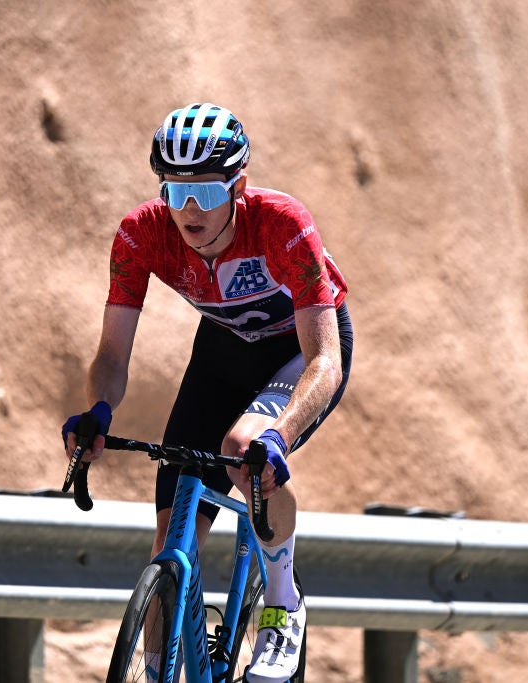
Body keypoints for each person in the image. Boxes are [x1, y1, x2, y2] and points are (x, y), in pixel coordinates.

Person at [62, 102, 352, 682]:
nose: (190, 212)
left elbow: (325, 359)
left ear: (238, 188)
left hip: (299, 352)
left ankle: (282, 605)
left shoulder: (282, 224)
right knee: (171, 541)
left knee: (245, 445)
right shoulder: (140, 235)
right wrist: (98, 411)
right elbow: (112, 355)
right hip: (222, 355)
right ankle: (154, 668)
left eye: (208, 195)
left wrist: (280, 432)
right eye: (175, 192)